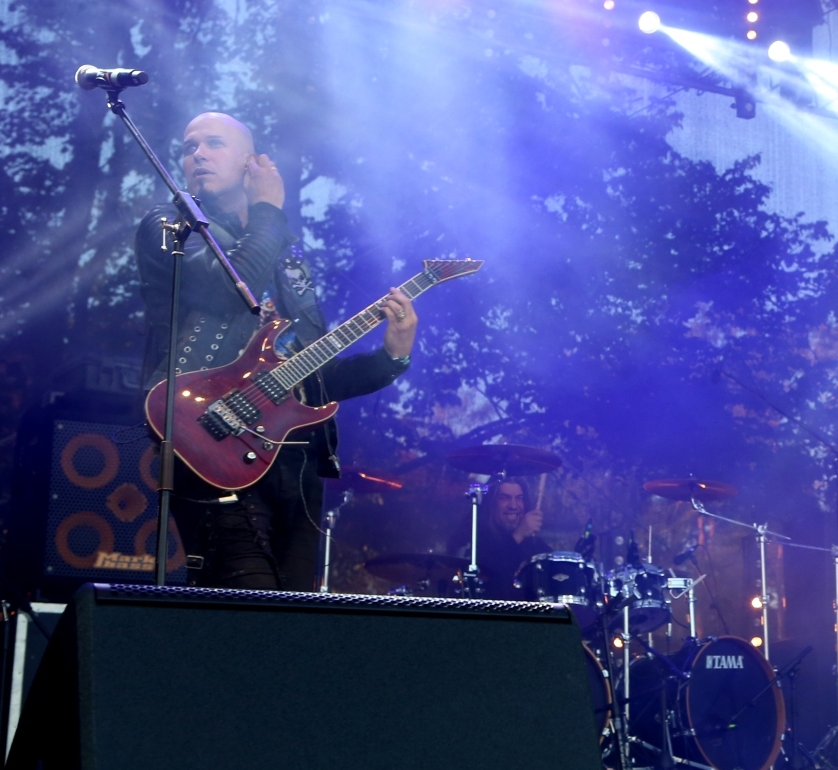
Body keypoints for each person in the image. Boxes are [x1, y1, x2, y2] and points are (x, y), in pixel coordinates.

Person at [136, 112, 417, 591]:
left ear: (251, 162)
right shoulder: (169, 227)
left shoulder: (287, 260)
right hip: (211, 440)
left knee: (291, 614)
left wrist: (392, 357)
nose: (197, 154)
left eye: (213, 143)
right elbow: (231, 289)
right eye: (188, 147)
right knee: (247, 603)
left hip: (293, 463)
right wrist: (268, 210)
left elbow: (314, 379)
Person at [475, 478, 551, 598]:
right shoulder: (478, 540)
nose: (513, 506)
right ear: (492, 504)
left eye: (519, 498)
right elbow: (490, 576)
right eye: (504, 498)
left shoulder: (534, 544)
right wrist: (518, 534)